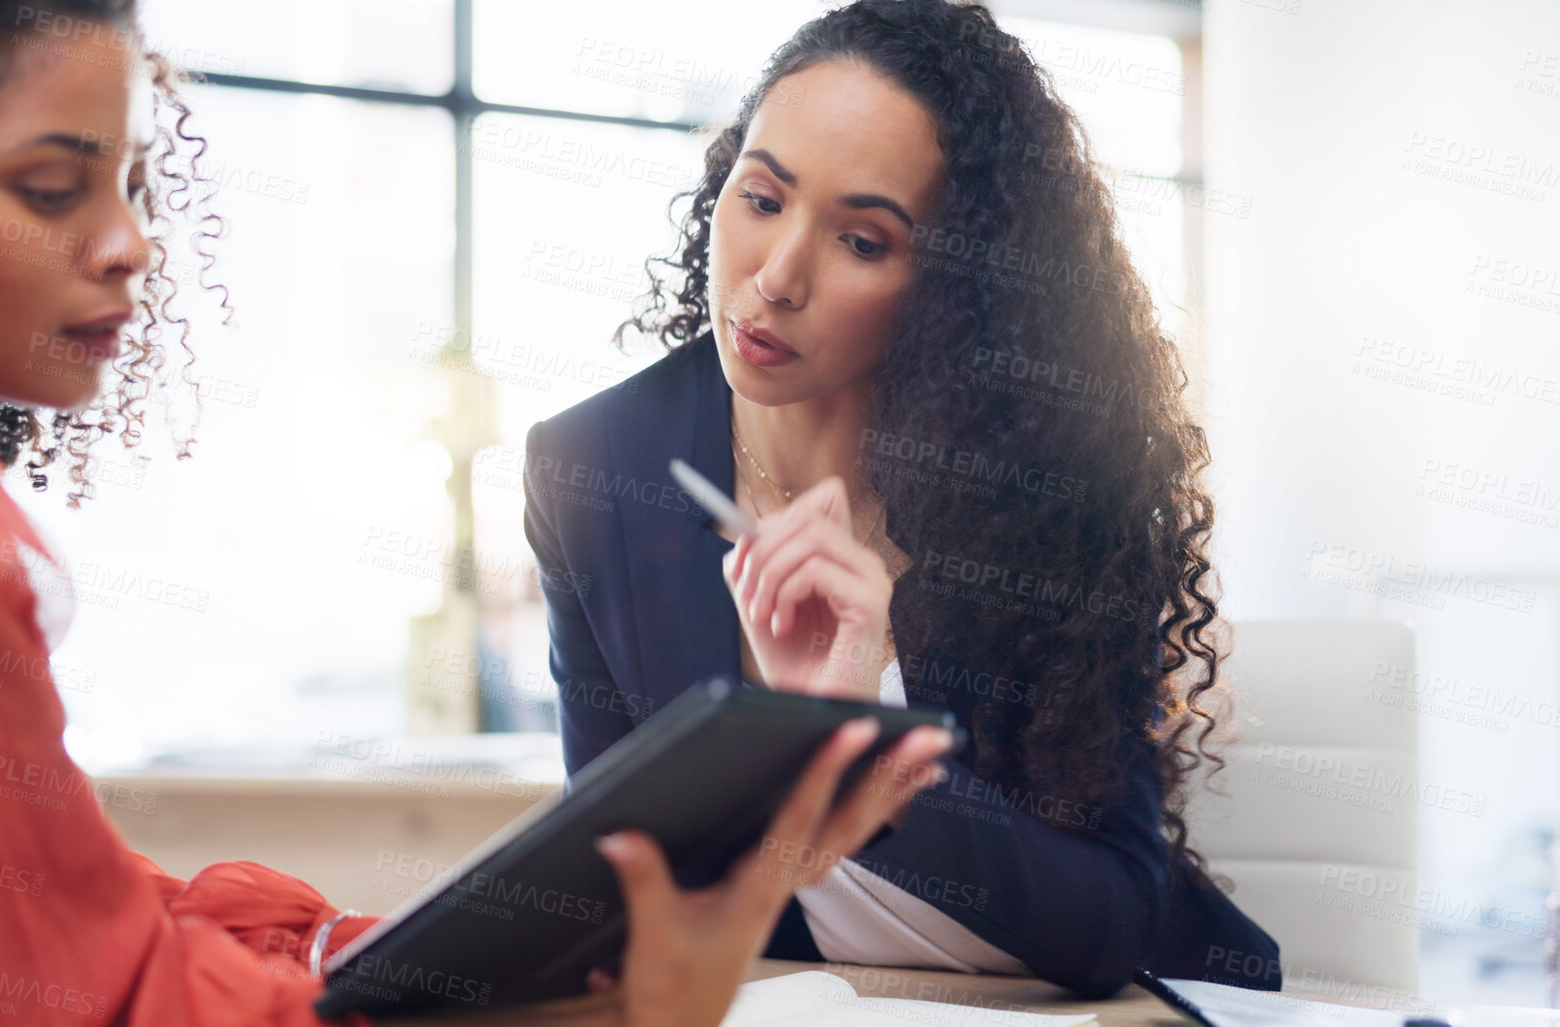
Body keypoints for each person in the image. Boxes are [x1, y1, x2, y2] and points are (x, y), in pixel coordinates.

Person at [0, 1, 955, 1024]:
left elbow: (29, 896)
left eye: (134, 183)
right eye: (47, 188)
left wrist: (336, 946)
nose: (132, 239)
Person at [522, 0, 1280, 999]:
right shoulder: (591, 466)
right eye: (761, 197)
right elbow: (621, 887)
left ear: (956, 286)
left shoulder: (1055, 489)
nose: (777, 277)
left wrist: (863, 759)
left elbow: (1108, 921)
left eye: (864, 241)